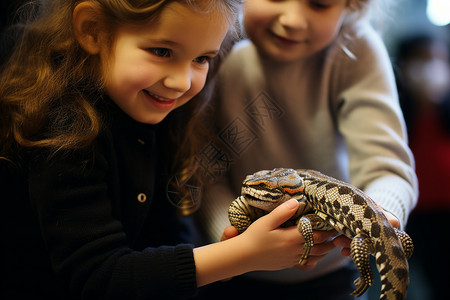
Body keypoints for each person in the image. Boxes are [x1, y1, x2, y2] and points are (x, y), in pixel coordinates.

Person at [0, 0, 316, 299]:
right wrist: (238, 257)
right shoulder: (61, 132)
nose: (181, 81)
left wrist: (230, 252)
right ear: (93, 30)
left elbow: (168, 227)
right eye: (162, 51)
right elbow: (99, 277)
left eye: (201, 59)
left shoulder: (160, 109)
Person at [198, 0, 418, 299]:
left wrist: (377, 218)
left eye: (320, 4)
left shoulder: (356, 47)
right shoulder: (212, 42)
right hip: (237, 269)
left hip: (335, 268)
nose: (293, 19)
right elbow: (206, 173)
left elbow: (387, 168)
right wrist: (232, 239)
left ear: (352, 7)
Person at [395, 34, 450, 300]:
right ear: (403, 66)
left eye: (438, 59)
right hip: (418, 215)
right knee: (435, 278)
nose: (432, 67)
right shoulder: (395, 114)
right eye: (422, 59)